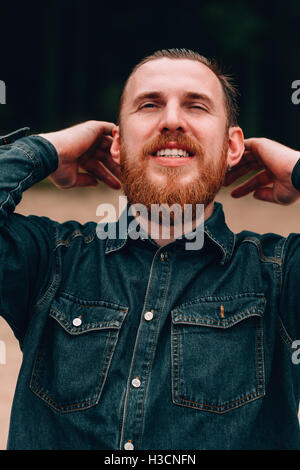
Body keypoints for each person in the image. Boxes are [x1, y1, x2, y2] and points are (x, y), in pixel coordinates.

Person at [0, 48, 300, 450]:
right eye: (149, 105)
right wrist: (45, 149)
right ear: (117, 145)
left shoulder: (280, 276)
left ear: (233, 148)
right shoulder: (50, 260)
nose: (172, 120)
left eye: (196, 105)